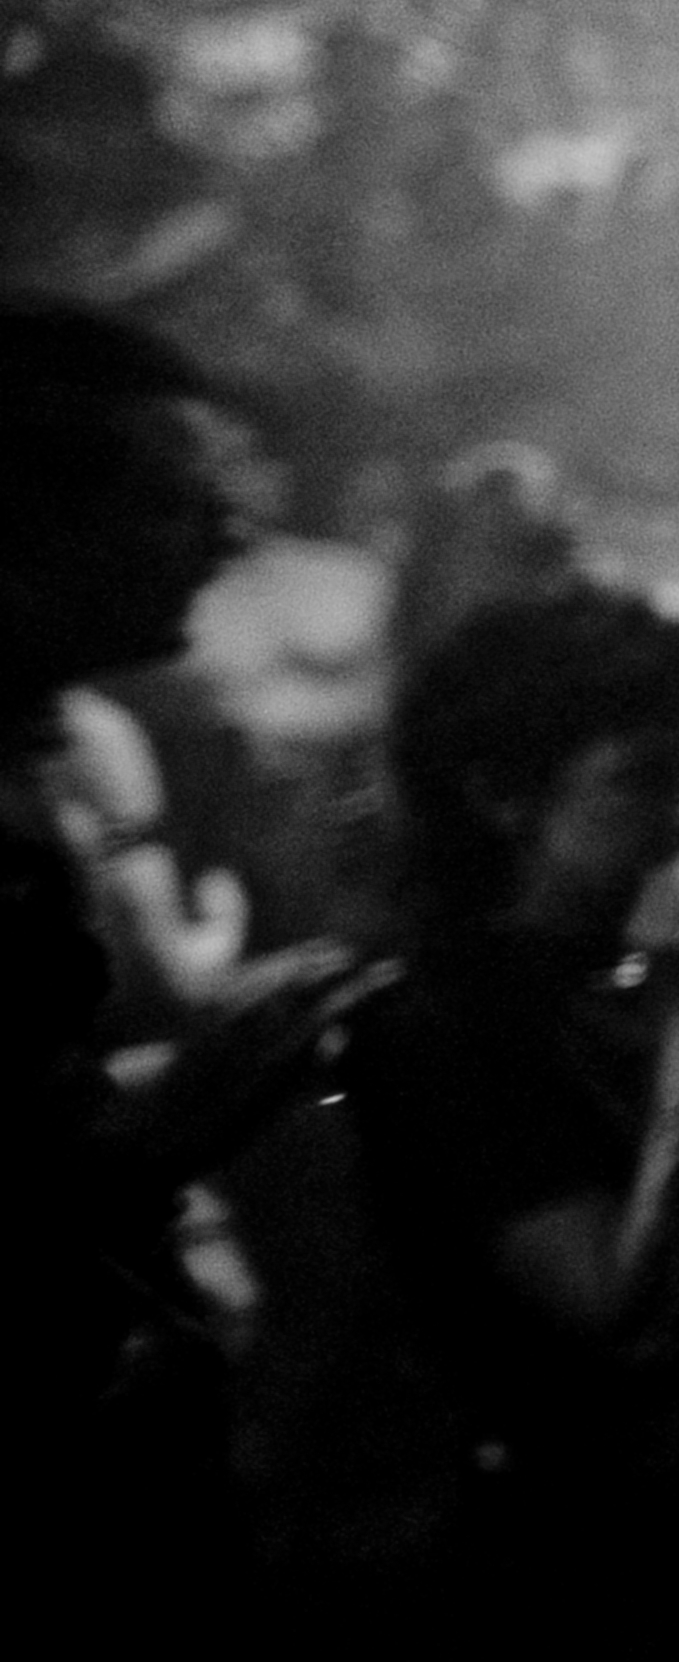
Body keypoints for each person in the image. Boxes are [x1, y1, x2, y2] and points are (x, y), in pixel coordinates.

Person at [4, 296, 374, 1594]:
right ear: (28, 522)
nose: (227, 538)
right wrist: (178, 1117)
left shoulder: (65, 750)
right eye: (169, 503)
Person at [344, 585, 679, 1594]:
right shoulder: (440, 1020)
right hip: (571, 1562)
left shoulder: (632, 972)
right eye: (647, 777)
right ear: (503, 796)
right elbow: (621, 1307)